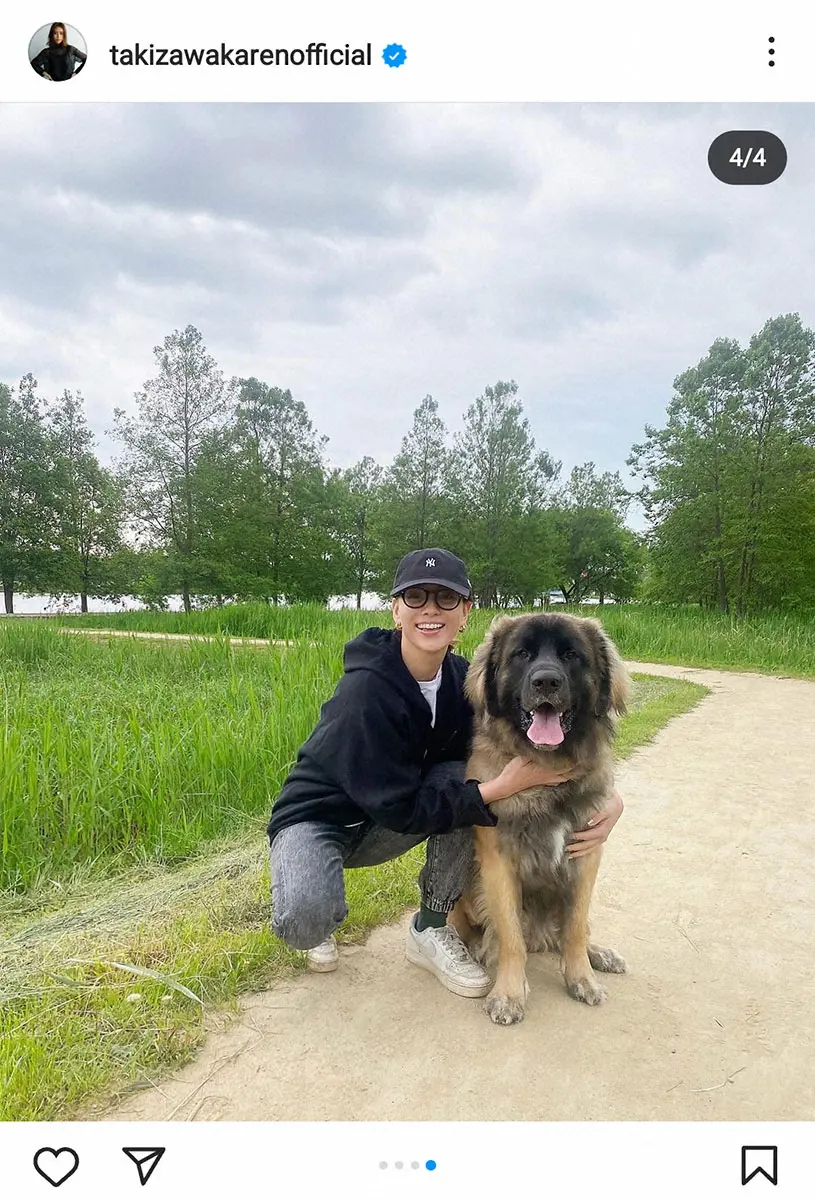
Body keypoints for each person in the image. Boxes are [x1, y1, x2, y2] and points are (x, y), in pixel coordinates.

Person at [267, 548, 624, 998]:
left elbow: (510, 751)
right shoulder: (366, 690)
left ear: (465, 613)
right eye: (416, 597)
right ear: (396, 609)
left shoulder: (463, 683)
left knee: (464, 785)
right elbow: (403, 807)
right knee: (305, 917)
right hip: (321, 818)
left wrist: (607, 800)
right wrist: (498, 788)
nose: (431, 608)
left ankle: (431, 926)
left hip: (394, 812)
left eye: (446, 598)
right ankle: (318, 901)